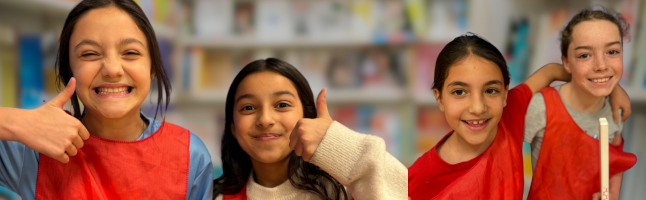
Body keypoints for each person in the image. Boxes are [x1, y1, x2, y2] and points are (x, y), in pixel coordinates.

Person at [0, 0, 213, 199]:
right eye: (89, 54)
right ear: (69, 70)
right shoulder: (35, 146)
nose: (112, 69)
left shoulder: (191, 155)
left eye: (130, 52)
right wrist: (17, 122)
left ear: (153, 68)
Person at [213, 58, 407, 200]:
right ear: (232, 125)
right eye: (248, 108)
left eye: (281, 105)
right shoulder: (216, 197)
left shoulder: (341, 192)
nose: (265, 119)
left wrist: (334, 141)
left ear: (307, 118)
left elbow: (412, 193)